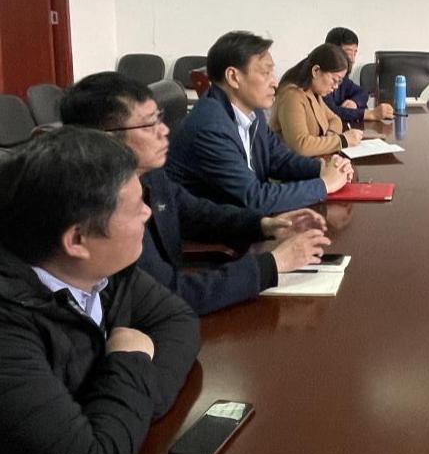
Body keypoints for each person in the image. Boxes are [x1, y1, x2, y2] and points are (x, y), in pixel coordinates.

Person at [0, 127, 200, 454]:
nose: (148, 213)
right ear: (77, 240)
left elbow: (178, 321)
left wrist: (126, 409)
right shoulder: (8, 327)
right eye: (135, 207)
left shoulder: (104, 268)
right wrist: (129, 360)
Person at [61, 73, 331, 315]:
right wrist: (273, 264)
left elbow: (199, 214)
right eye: (148, 125)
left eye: (159, 119)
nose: (164, 131)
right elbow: (167, 293)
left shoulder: (149, 174)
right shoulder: (102, 208)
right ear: (104, 137)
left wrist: (265, 225)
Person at [167, 31, 353, 212]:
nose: (275, 83)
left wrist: (323, 168)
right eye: (266, 73)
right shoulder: (210, 126)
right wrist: (325, 184)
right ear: (233, 77)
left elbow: (279, 160)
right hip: (212, 229)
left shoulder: (251, 111)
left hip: (245, 219)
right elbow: (254, 198)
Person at [271, 44, 366, 157]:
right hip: (291, 165)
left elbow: (335, 119)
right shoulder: (291, 96)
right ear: (316, 71)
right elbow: (301, 146)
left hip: (315, 160)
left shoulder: (313, 92)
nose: (336, 87)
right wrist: (342, 140)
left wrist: (329, 138)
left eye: (339, 82)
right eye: (334, 80)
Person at [323, 26, 393, 125]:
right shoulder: (321, 77)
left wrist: (354, 102)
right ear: (332, 52)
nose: (352, 60)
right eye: (348, 53)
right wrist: (370, 114)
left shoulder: (342, 77)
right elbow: (329, 112)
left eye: (355, 53)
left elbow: (362, 92)